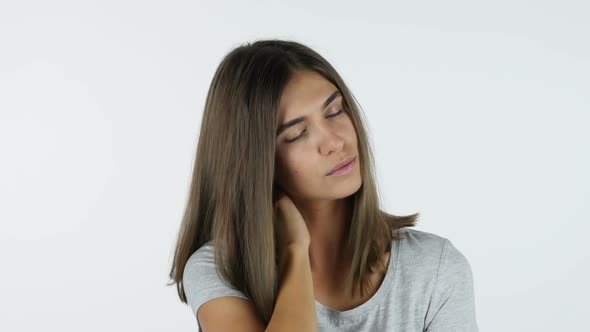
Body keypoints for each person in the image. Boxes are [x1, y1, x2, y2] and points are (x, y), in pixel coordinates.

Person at [168, 39, 479, 331]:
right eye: (297, 134)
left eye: (335, 111)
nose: (334, 141)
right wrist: (295, 251)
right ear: (256, 163)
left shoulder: (434, 268)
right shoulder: (223, 268)